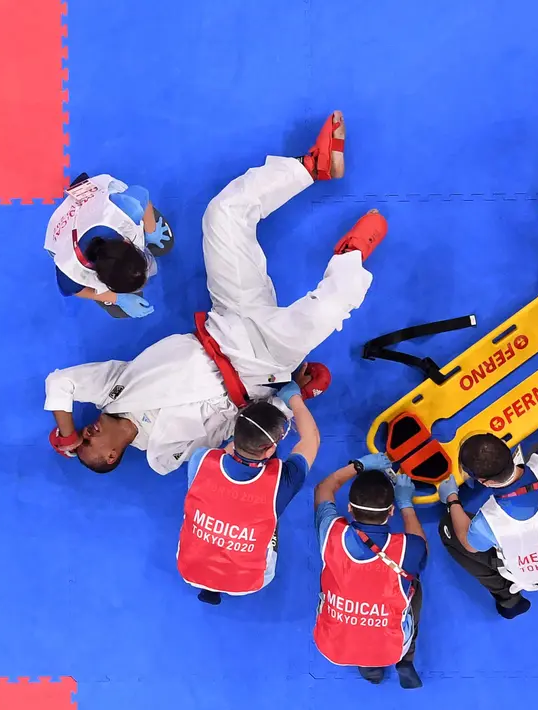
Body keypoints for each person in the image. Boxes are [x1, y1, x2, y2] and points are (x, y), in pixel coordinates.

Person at [43, 111, 387, 474]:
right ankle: (352, 256)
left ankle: (311, 166)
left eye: (82, 433)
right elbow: (238, 436)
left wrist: (66, 437)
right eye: (89, 444)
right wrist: (288, 399)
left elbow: (60, 382)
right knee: (325, 311)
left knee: (222, 216)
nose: (87, 432)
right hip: (260, 364)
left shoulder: (110, 390)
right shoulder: (163, 457)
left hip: (225, 319)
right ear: (112, 457)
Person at [438, 390, 538, 620]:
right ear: (509, 450)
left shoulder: (489, 520)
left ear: (482, 482)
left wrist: (452, 499)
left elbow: (469, 544)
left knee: (449, 529)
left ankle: (508, 599)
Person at [175, 380, 318, 605]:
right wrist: (295, 398)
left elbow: (228, 452)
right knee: (271, 512)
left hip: (188, 569)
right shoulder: (282, 482)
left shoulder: (200, 459)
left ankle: (209, 584)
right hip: (249, 582)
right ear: (271, 449)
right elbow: (311, 440)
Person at [313, 453, 428, 689]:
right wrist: (407, 505)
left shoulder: (332, 533)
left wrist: (358, 465)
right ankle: (405, 659)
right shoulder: (408, 548)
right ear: (391, 511)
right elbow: (421, 547)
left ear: (349, 509)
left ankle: (370, 671)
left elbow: (324, 489)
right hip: (392, 647)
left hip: (332, 646)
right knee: (415, 587)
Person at [43, 172, 174, 318]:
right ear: (100, 279)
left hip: (97, 202)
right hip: (65, 228)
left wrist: (151, 231)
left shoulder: (125, 210)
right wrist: (117, 298)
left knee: (165, 244)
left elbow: (143, 196)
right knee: (120, 311)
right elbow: (76, 291)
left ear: (128, 243)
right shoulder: (70, 269)